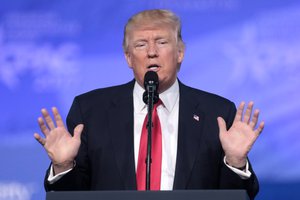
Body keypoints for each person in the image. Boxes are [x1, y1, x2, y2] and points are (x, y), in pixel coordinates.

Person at [34, 9, 264, 199]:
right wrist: (63, 167)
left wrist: (235, 161)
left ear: (180, 52)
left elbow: (240, 196)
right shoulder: (90, 110)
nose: (152, 52)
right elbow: (70, 196)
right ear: (128, 58)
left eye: (161, 42)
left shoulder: (217, 113)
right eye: (141, 45)